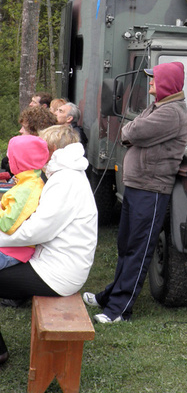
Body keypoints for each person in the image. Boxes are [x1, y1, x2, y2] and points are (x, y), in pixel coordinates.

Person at [83, 62, 187, 323]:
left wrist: (130, 132)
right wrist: (130, 132)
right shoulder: (158, 106)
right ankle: (111, 295)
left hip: (151, 189)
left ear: (167, 82)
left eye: (155, 78)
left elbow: (133, 131)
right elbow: (128, 131)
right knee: (126, 246)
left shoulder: (170, 113)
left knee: (139, 250)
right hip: (137, 185)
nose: (150, 82)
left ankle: (120, 310)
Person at [0, 124, 98, 365]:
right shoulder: (66, 174)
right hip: (54, 264)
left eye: (43, 148)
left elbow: (36, 231)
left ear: (53, 150)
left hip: (58, 274)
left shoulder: (65, 181)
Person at [0, 135, 50, 270]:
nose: (8, 161)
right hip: (9, 247)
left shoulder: (28, 188)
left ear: (19, 161)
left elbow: (8, 224)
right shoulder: (27, 181)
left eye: (10, 158)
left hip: (10, 252)